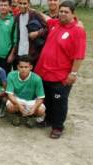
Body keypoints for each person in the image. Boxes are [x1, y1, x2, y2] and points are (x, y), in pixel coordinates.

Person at [34, 1, 86, 138]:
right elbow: (48, 19)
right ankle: (48, 120)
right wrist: (32, 10)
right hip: (45, 72)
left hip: (61, 75)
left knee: (59, 102)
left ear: (73, 14)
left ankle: (58, 127)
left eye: (66, 12)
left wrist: (73, 73)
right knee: (48, 100)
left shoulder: (77, 31)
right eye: (61, 11)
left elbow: (79, 56)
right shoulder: (56, 24)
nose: (62, 14)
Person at [6, 55, 45, 127]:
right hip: (17, 99)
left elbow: (40, 98)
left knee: (41, 111)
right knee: (10, 107)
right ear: (17, 67)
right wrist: (19, 105)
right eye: (21, 67)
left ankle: (31, 117)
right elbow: (10, 95)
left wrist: (34, 108)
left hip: (31, 101)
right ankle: (17, 115)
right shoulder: (11, 75)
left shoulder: (37, 78)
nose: (23, 69)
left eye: (26, 67)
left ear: (31, 67)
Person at [12, 0, 47, 67]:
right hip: (19, 53)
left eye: (25, 3)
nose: (22, 6)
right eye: (20, 3)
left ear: (29, 4)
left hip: (31, 53)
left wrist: (37, 33)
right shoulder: (17, 17)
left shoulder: (35, 15)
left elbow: (46, 28)